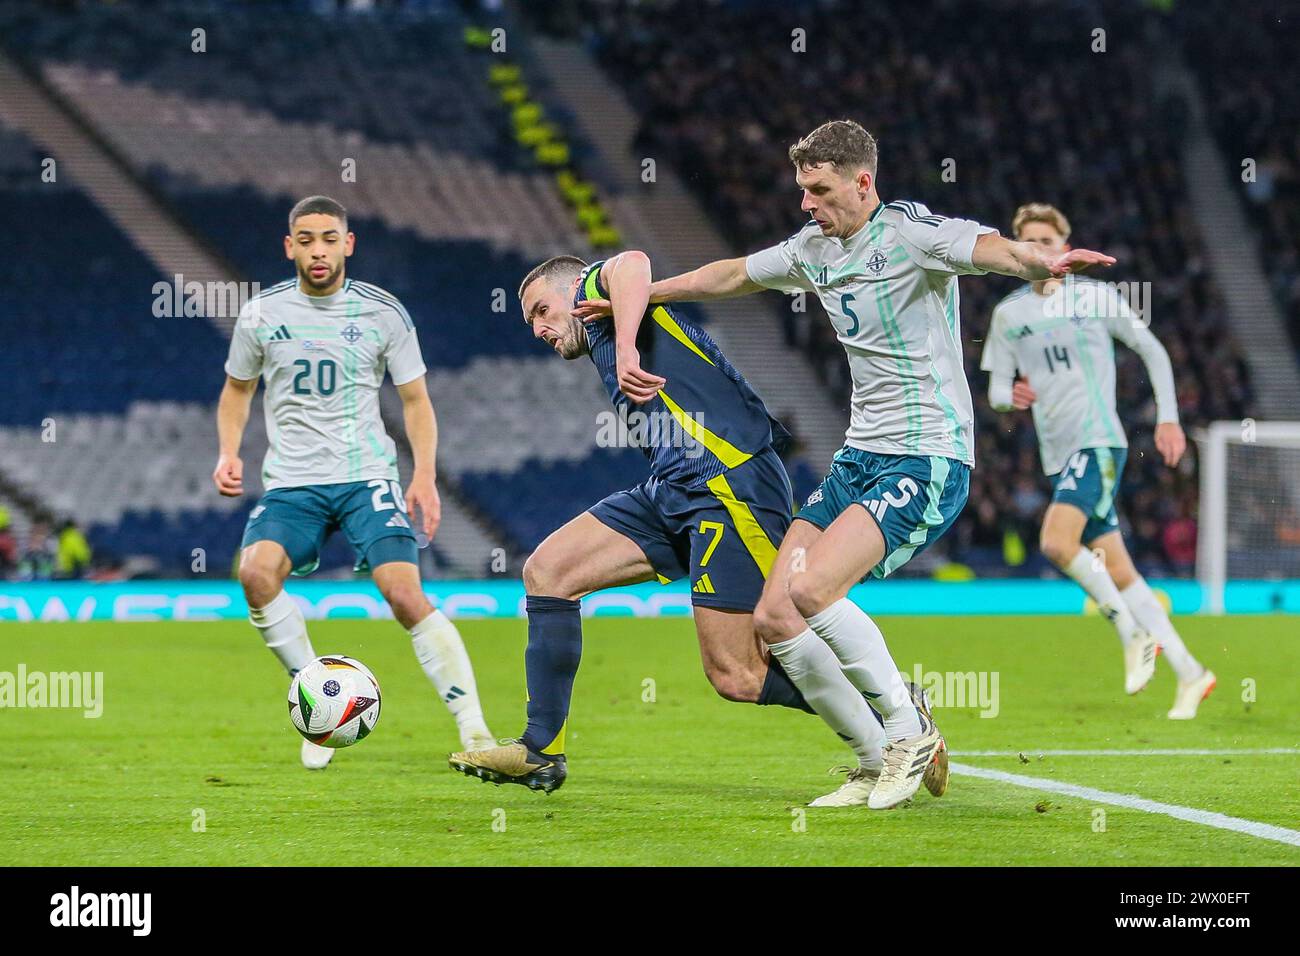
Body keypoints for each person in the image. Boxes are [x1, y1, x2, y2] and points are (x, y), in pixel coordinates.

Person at [574, 119, 1118, 807]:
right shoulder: (814, 249)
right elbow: (735, 274)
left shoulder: (912, 234)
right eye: (803, 189)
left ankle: (907, 728)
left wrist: (1042, 264)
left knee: (812, 591)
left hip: (926, 459)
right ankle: (870, 758)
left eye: (820, 190)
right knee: (774, 616)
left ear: (864, 184)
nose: (807, 203)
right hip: (859, 458)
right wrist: (650, 295)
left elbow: (992, 250)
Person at [449, 250, 944, 807]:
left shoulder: (606, 302)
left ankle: (892, 708)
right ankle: (541, 748)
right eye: (530, 322)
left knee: (738, 674)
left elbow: (633, 262)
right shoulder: (605, 339)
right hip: (673, 489)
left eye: (542, 311)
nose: (539, 329)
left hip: (730, 487)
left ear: (574, 294)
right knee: (548, 570)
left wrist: (629, 341)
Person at [213, 194, 493, 769]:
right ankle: (320, 709)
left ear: (348, 244)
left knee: (403, 592)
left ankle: (476, 731)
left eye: (329, 238)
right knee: (255, 574)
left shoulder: (383, 312)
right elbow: (237, 390)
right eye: (307, 239)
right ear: (290, 246)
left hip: (367, 476)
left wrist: (423, 475)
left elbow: (415, 400)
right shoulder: (261, 314)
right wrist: (227, 452)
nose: (319, 250)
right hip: (292, 484)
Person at [981, 203, 1214, 718]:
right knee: (1121, 568)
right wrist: (1009, 397)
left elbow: (1152, 350)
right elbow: (996, 387)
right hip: (1055, 454)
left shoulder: (1094, 297)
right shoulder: (1009, 315)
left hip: (1098, 440)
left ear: (1066, 246)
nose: (1040, 250)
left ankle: (1131, 633)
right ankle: (1191, 671)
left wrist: (1168, 418)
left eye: (1048, 240)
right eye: (1030, 242)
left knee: (1055, 542)